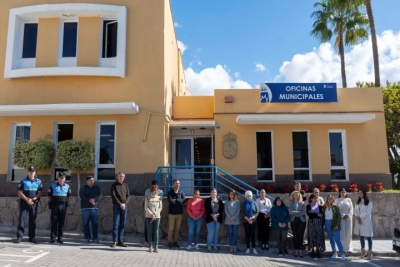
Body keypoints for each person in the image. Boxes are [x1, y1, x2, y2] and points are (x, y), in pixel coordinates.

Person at [16, 166, 42, 244]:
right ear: (28, 172)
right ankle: (20, 236)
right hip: (24, 202)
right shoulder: (23, 181)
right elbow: (19, 192)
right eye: (30, 171)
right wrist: (27, 199)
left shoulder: (38, 181)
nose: (31, 173)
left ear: (35, 172)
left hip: (34, 203)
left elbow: (39, 193)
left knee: (32, 220)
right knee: (22, 219)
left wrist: (33, 199)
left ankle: (32, 237)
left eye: (33, 171)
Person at [48, 172, 71, 243]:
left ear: (65, 179)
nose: (61, 179)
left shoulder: (67, 186)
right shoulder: (53, 186)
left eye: (63, 178)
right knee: (54, 222)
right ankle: (53, 238)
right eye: (60, 178)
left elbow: (68, 196)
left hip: (63, 206)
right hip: (54, 205)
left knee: (61, 223)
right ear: (58, 178)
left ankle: (60, 238)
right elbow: (49, 195)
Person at [79, 176, 102, 243]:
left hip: (95, 208)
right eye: (90, 180)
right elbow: (82, 196)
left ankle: (95, 238)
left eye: (92, 180)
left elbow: (100, 195)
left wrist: (94, 200)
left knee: (95, 223)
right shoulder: (83, 188)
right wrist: (89, 200)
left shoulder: (97, 188)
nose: (92, 181)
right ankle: (87, 238)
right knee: (86, 223)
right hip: (85, 208)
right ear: (87, 181)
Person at [110, 172, 130, 248]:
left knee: (122, 224)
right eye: (120, 176)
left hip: (124, 206)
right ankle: (115, 241)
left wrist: (124, 203)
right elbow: (113, 196)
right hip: (116, 206)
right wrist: (120, 204)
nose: (121, 177)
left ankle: (120, 241)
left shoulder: (126, 185)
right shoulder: (114, 185)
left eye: (123, 176)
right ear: (117, 177)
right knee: (116, 224)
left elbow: (128, 196)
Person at [323, 195, 346, 261]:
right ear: (327, 199)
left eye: (331, 199)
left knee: (337, 239)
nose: (330, 200)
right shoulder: (324, 207)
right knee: (331, 239)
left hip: (334, 223)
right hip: (327, 223)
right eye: (329, 199)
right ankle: (334, 252)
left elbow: (338, 217)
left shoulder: (335, 207)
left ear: (333, 200)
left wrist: (337, 225)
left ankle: (342, 253)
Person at [354, 190, 373, 260]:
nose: (360, 194)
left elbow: (368, 212)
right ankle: (363, 252)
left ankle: (370, 253)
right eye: (359, 193)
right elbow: (355, 211)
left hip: (366, 221)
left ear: (364, 193)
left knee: (369, 236)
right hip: (359, 221)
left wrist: (360, 218)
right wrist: (357, 217)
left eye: (361, 193)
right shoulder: (357, 202)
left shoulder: (369, 202)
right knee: (361, 236)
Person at [143, 180, 164, 246]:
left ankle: (155, 245)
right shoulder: (147, 192)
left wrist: (155, 214)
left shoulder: (160, 193)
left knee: (155, 231)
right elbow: (146, 206)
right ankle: (148, 243)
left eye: (156, 185)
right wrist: (151, 214)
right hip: (149, 214)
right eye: (153, 185)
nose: (156, 191)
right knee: (148, 229)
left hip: (156, 215)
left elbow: (160, 207)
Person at [167, 179, 186, 248]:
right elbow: (171, 202)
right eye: (176, 183)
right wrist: (179, 202)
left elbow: (183, 201)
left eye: (178, 183)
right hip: (172, 213)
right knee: (171, 228)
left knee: (177, 229)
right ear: (173, 184)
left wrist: (177, 200)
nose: (177, 185)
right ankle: (169, 242)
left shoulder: (182, 193)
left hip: (179, 214)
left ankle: (175, 241)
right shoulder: (170, 193)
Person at [306, 193, 325, 258]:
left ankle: (318, 249)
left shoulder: (319, 206)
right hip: (311, 222)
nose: (315, 199)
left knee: (319, 235)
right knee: (312, 235)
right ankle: (313, 250)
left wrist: (316, 214)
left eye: (316, 198)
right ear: (311, 199)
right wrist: (317, 214)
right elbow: (309, 214)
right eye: (314, 198)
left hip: (319, 222)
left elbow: (322, 214)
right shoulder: (308, 206)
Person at [336, 188, 353, 254]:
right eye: (342, 192)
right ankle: (343, 248)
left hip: (348, 218)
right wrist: (342, 215)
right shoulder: (338, 200)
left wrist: (348, 215)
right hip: (341, 218)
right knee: (342, 233)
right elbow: (337, 209)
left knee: (348, 232)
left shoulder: (348, 200)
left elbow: (351, 208)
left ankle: (349, 247)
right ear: (340, 193)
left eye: (344, 192)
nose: (343, 193)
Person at [289, 190, 306, 257]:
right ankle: (296, 251)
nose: (296, 196)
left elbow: (303, 212)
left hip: (301, 220)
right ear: (293, 196)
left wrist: (295, 212)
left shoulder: (302, 203)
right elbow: (290, 212)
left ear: (300, 196)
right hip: (294, 220)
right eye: (295, 195)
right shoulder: (291, 203)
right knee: (295, 235)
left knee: (301, 235)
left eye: (298, 195)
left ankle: (300, 251)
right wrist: (298, 212)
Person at [242, 190, 259, 255]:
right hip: (246, 221)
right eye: (247, 196)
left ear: (252, 196)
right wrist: (247, 219)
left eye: (250, 196)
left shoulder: (254, 203)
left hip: (253, 221)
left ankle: (254, 248)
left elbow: (257, 212)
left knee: (253, 234)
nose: (249, 197)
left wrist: (252, 218)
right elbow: (242, 212)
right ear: (245, 196)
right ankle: (248, 248)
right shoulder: (243, 203)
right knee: (247, 234)